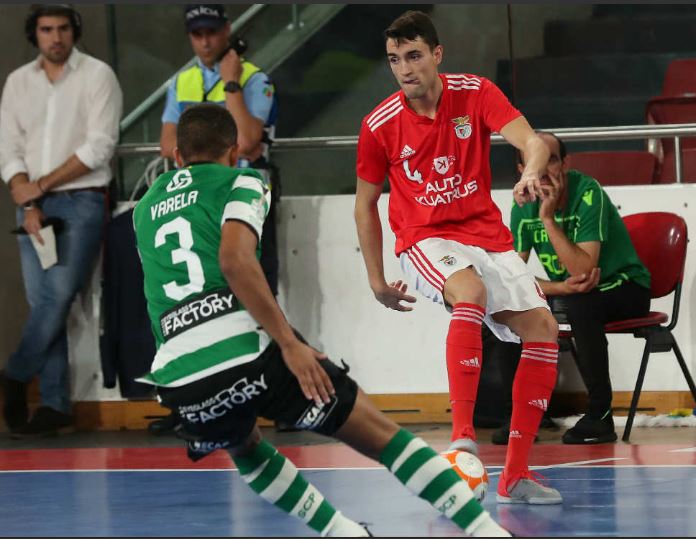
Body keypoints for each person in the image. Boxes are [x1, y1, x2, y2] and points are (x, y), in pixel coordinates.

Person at [132, 104, 510, 538]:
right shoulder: (244, 179)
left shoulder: (144, 209)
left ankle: (341, 532)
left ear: (177, 156)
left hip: (178, 374)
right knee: (380, 435)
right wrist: (290, 344)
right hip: (242, 347)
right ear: (234, 151)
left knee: (244, 446)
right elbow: (235, 261)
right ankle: (486, 532)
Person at [354, 10, 563, 505]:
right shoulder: (379, 125)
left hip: (486, 234)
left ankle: (515, 475)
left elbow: (532, 142)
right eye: (394, 60)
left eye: (414, 56)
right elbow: (365, 203)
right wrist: (376, 278)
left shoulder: (474, 92)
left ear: (436, 54)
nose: (405, 69)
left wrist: (532, 171)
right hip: (425, 237)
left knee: (544, 330)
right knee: (470, 291)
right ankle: (463, 438)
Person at [0, 4, 122, 436]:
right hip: (31, 205)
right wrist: (25, 192)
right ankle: (54, 405)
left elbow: (101, 145)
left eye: (63, 29)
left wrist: (43, 183)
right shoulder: (18, 82)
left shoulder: (97, 74)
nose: (56, 37)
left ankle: (14, 377)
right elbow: (10, 148)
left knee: (57, 297)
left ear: (75, 31)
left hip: (82, 201)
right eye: (47, 30)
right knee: (44, 304)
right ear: (35, 35)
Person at [506, 132, 651, 444]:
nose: (543, 170)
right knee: (505, 307)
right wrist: (558, 288)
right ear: (522, 170)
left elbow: (584, 270)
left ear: (565, 164)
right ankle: (525, 415)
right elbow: (513, 278)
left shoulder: (588, 192)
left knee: (582, 305)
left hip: (627, 286)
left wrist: (547, 218)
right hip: (576, 291)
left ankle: (600, 416)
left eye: (552, 160)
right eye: (535, 161)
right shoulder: (520, 205)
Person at [160, 4, 280, 297]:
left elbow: (249, 140)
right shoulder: (182, 81)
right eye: (197, 34)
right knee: (209, 279)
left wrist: (230, 83)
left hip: (245, 189)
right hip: (199, 194)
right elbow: (166, 145)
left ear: (227, 30)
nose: (205, 42)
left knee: (255, 279)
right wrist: (223, 149)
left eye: (211, 33)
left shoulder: (253, 79)